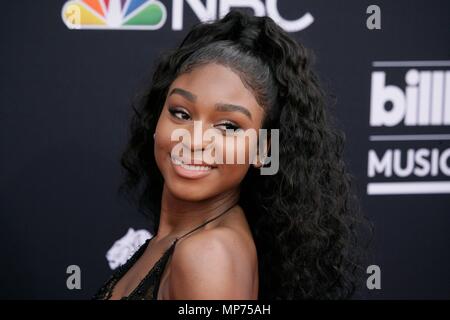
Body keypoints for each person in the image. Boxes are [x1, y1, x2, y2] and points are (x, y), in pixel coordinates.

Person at [93, 9, 369, 300]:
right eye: (181, 113)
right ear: (157, 119)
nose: (195, 140)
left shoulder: (208, 256)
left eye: (228, 126)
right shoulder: (182, 241)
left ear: (264, 150)